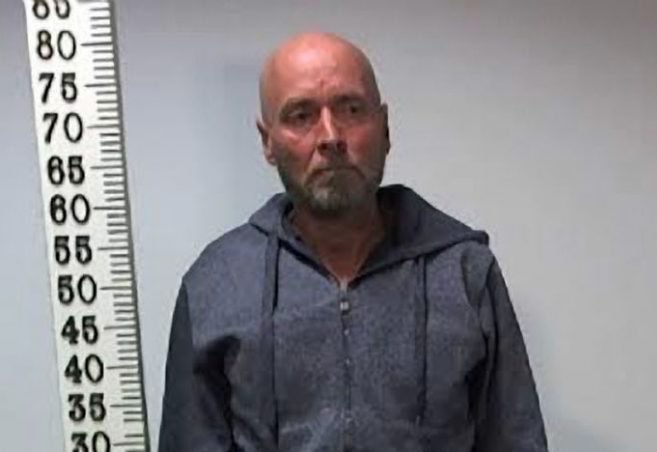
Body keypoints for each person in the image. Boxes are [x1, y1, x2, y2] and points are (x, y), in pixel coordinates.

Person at [158, 32, 548, 452]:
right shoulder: (217, 283)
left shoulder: (464, 271)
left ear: (385, 127)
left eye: (351, 109)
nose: (330, 136)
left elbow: (516, 440)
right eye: (301, 115)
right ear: (267, 141)